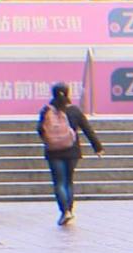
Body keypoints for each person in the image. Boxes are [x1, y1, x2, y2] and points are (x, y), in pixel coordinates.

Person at [36, 83, 103, 226]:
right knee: (68, 181)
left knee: (59, 182)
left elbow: (40, 130)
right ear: (68, 94)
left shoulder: (46, 110)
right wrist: (97, 147)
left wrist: (49, 140)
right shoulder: (74, 111)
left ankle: (64, 211)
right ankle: (70, 211)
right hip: (71, 151)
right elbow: (87, 129)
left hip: (53, 152)